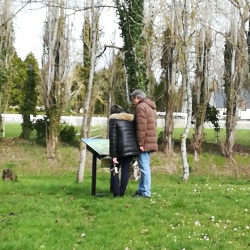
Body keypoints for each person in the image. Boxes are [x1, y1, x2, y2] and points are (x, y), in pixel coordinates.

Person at [130, 89, 158, 198]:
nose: (133, 101)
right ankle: (142, 190)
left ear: (137, 97)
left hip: (145, 142)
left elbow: (141, 127)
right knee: (144, 165)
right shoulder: (150, 107)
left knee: (144, 167)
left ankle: (146, 192)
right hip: (150, 140)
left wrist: (140, 143)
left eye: (133, 99)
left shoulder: (141, 107)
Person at [109, 104, 140, 198]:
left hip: (119, 150)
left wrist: (113, 155)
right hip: (131, 149)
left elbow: (113, 139)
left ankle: (116, 192)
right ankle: (122, 191)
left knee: (114, 168)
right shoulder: (130, 120)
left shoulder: (113, 121)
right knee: (125, 170)